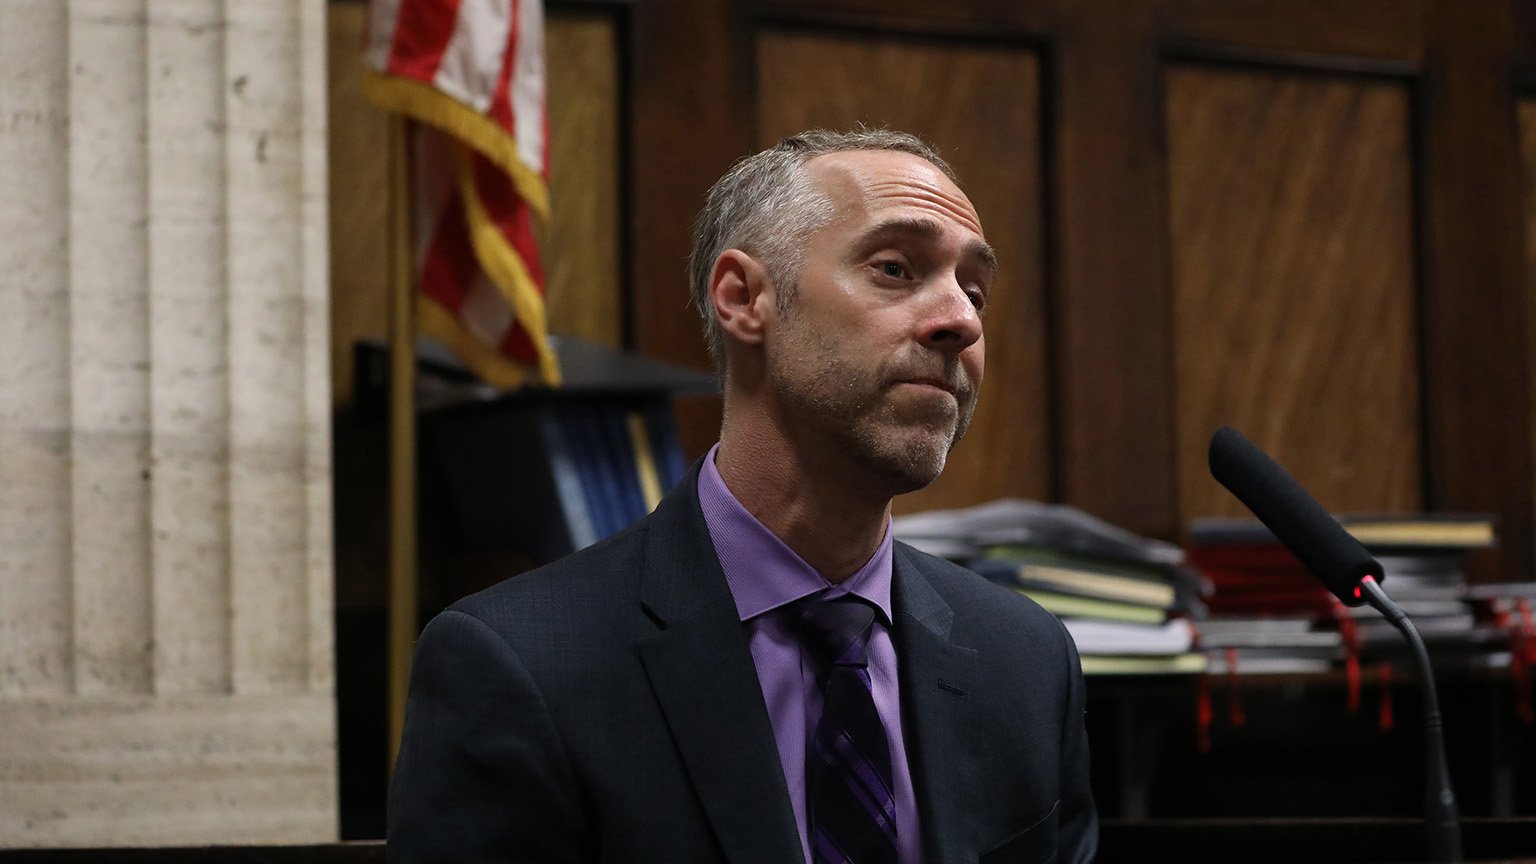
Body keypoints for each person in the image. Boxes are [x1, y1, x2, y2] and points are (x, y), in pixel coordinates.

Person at [388, 128, 1098, 864]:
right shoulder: (521, 664)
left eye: (974, 290)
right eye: (895, 268)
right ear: (744, 297)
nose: (963, 321)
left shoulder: (1026, 663)